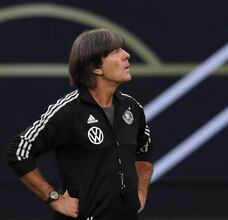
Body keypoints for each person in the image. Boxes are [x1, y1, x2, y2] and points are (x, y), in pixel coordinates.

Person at [5, 29, 154, 220]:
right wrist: (54, 199)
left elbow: (145, 150)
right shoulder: (68, 111)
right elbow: (18, 152)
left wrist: (141, 192)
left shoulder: (132, 108)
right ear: (95, 68)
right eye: (115, 51)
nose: (127, 55)